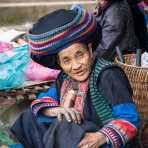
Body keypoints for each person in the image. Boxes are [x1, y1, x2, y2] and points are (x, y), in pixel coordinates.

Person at [11, 6, 140, 148]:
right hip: (75, 135)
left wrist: (101, 136)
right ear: (59, 63)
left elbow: (130, 119)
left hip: (101, 141)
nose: (76, 65)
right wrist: (57, 110)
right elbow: (43, 100)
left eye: (80, 55)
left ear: (90, 50)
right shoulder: (65, 77)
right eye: (66, 60)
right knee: (29, 118)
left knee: (65, 129)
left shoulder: (108, 75)